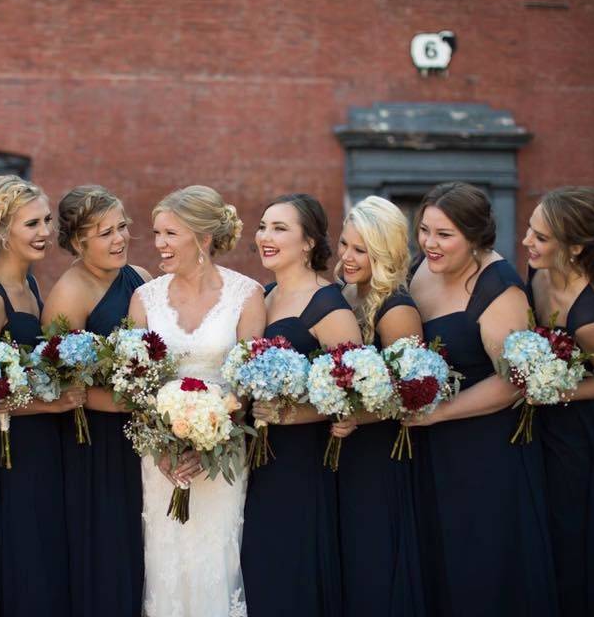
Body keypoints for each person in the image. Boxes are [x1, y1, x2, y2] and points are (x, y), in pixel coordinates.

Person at [407, 182, 559, 616]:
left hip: (485, 451)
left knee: (481, 567)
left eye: (444, 235)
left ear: (475, 237)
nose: (429, 244)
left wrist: (436, 415)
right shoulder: (422, 267)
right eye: (424, 231)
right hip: (430, 449)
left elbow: (514, 382)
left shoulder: (499, 287)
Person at [128, 185, 265, 617]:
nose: (159, 245)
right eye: (157, 233)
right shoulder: (144, 298)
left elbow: (247, 381)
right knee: (165, 560)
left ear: (203, 238)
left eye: (170, 234)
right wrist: (162, 445)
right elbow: (135, 380)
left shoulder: (248, 295)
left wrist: (210, 438)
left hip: (221, 453)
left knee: (217, 559)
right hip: (160, 456)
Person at [0, 175, 81, 617]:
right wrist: (53, 403)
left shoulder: (27, 286)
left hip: (42, 442)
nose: (46, 231)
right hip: (11, 450)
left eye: (47, 220)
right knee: (25, 559)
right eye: (32, 223)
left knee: (47, 554)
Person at [241, 193, 361, 617]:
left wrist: (294, 414)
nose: (265, 237)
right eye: (263, 227)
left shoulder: (327, 304)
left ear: (309, 241)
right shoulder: (265, 294)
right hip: (259, 460)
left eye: (280, 228)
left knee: (291, 573)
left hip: (303, 462)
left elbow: (360, 391)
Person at [523, 186, 594, 616]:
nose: (527, 242)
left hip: (576, 433)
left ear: (575, 247)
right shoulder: (537, 274)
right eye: (531, 230)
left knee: (572, 532)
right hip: (539, 421)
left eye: (541, 237)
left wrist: (553, 391)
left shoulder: (590, 315)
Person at [40, 185, 151, 617]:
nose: (119, 239)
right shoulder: (69, 293)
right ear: (77, 241)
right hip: (95, 442)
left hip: (140, 435)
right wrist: (129, 402)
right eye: (104, 233)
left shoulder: (139, 276)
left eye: (122, 227)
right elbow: (62, 386)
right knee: (107, 546)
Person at [334, 195, 427, 616]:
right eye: (344, 244)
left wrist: (360, 416)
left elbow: (417, 393)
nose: (348, 257)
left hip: (378, 452)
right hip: (344, 450)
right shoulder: (346, 295)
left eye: (361, 250)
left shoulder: (397, 308)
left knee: (374, 554)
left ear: (385, 253)